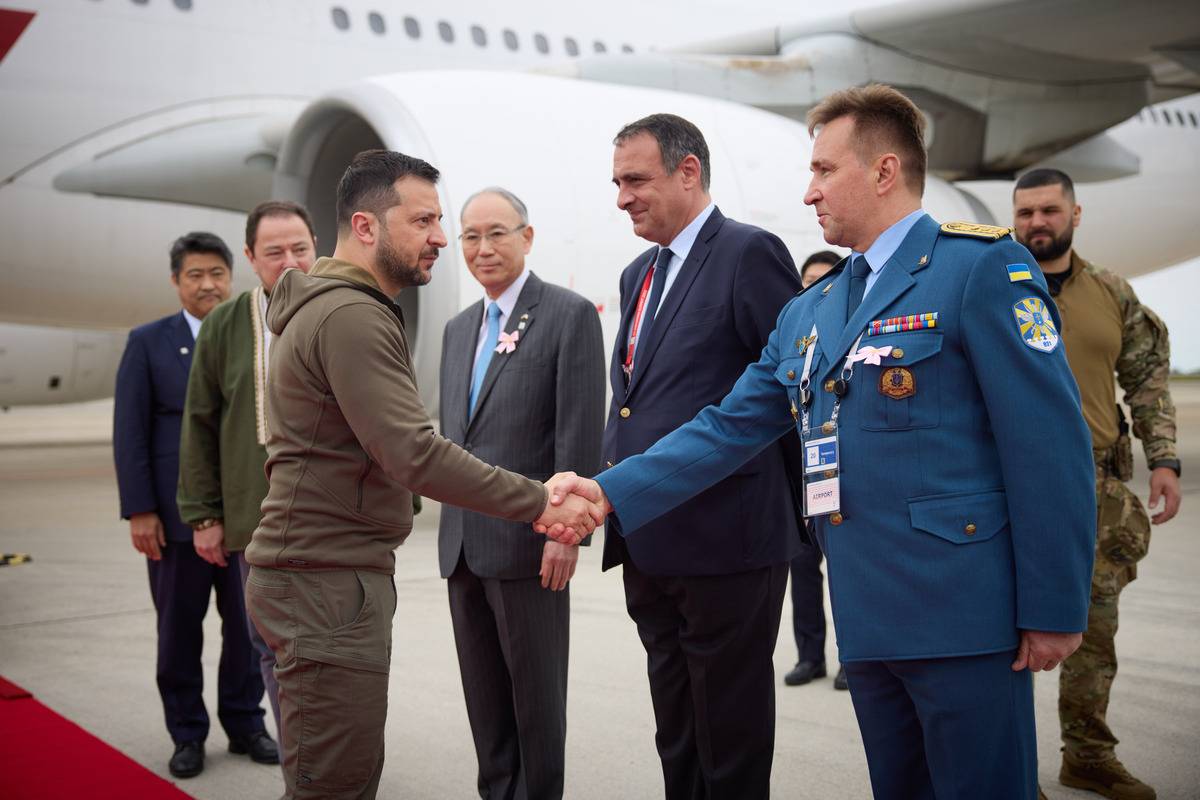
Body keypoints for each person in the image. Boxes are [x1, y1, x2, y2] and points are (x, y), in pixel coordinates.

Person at [547, 85, 1096, 800]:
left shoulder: (980, 270)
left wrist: (1054, 608)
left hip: (963, 615)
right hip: (865, 617)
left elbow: (1048, 446)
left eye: (824, 172)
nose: (809, 193)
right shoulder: (814, 308)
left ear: (884, 171)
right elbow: (727, 427)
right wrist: (607, 491)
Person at [242, 149, 601, 800]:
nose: (444, 237)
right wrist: (541, 500)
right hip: (324, 582)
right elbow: (414, 452)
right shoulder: (351, 314)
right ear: (367, 226)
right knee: (335, 787)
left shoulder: (336, 307)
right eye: (427, 221)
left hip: (322, 573)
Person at [602, 113, 805, 799]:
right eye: (617, 182)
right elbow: (629, 402)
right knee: (678, 731)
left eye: (636, 179)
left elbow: (789, 388)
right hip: (650, 541)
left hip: (729, 544)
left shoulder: (750, 254)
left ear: (688, 171)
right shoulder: (638, 274)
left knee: (729, 736)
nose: (623, 196)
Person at [1013, 168, 1181, 800]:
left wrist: (1164, 459)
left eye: (1049, 210)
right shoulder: (994, 284)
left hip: (1099, 496)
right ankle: (1004, 765)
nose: (1037, 223)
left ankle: (1087, 754)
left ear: (1075, 215)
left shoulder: (1111, 291)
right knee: (1004, 637)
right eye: (1025, 212)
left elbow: (1146, 378)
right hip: (1013, 494)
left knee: (1093, 633)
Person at [437, 187, 605, 799]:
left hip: (532, 549)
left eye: (497, 233)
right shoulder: (458, 331)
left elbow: (579, 436)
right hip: (462, 548)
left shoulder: (567, 314)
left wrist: (569, 535)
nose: (483, 248)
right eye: (471, 236)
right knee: (485, 704)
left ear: (527, 237)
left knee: (535, 704)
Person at [113, 232, 272, 779]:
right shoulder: (147, 341)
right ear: (177, 281)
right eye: (194, 275)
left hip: (245, 517)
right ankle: (186, 733)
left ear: (233, 276)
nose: (208, 284)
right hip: (173, 520)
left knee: (249, 630)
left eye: (217, 273)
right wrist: (140, 509)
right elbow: (129, 433)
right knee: (178, 630)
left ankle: (246, 722)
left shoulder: (252, 335)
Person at [177, 200, 317, 752]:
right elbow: (200, 423)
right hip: (255, 516)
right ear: (251, 257)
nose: (289, 261)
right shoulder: (225, 325)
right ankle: (300, 763)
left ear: (317, 247)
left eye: (300, 249)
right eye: (274, 251)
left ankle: (336, 763)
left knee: (338, 650)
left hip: (336, 517)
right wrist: (205, 514)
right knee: (268, 645)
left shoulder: (352, 309)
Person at [784, 249, 849, 691]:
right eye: (809, 279)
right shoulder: (791, 334)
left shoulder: (849, 332)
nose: (816, 287)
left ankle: (851, 657)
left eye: (826, 280)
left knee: (845, 573)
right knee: (803, 573)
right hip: (799, 480)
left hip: (840, 479)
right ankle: (810, 657)